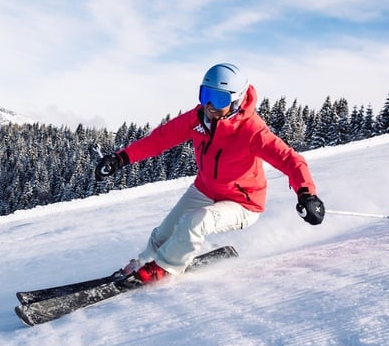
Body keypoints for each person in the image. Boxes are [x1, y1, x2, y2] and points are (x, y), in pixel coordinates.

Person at [94, 62, 325, 283]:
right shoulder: (197, 120)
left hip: (243, 203)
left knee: (194, 222)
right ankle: (144, 262)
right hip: (205, 189)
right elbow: (160, 139)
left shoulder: (252, 131)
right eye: (205, 95)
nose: (210, 105)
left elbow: (290, 160)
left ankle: (165, 269)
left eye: (220, 98)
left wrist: (307, 194)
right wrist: (121, 158)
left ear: (237, 100)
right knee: (164, 233)